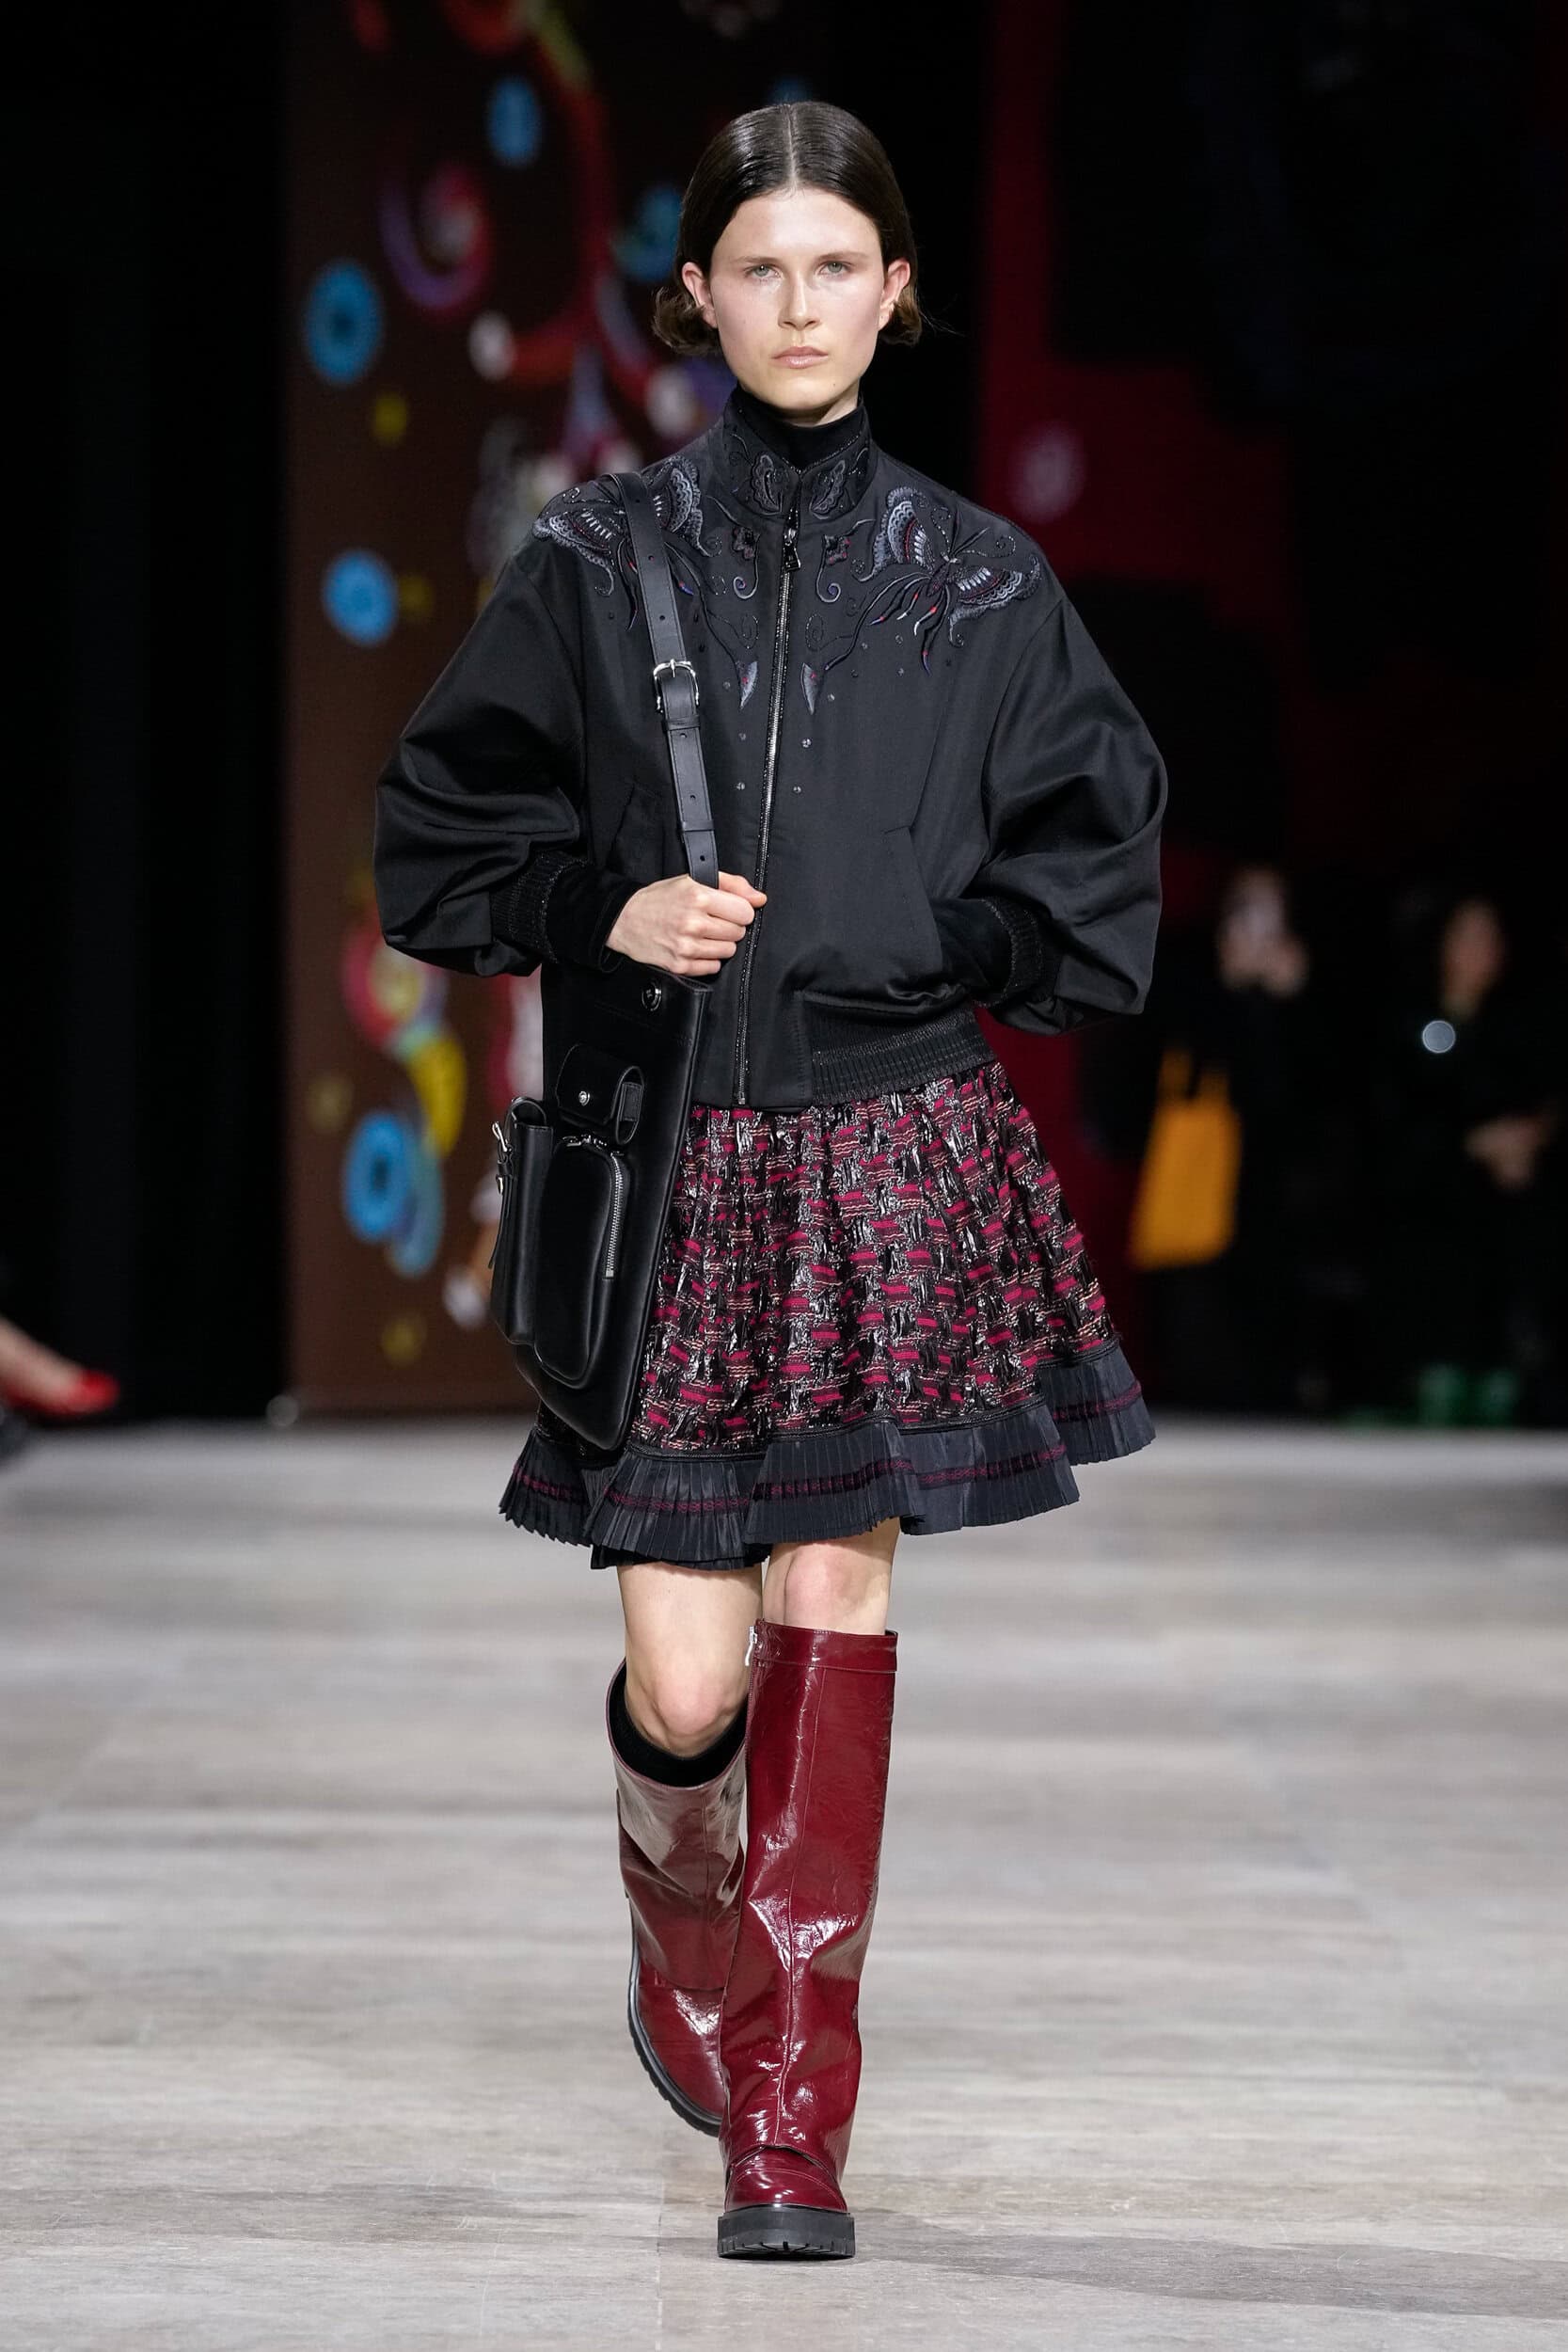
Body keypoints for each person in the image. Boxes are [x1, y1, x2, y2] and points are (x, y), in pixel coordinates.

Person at [373, 102, 1166, 2262]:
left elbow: (1096, 850)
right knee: (689, 1688)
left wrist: (950, 941)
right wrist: (599, 905)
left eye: (837, 266)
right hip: (672, 1166)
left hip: (889, 1148)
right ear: (698, 298)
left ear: (895, 294)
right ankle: (681, 1916)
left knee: (838, 1594)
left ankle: (794, 2111)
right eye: (762, 268)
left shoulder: (982, 581)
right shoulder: (597, 559)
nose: (800, 305)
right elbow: (435, 832)